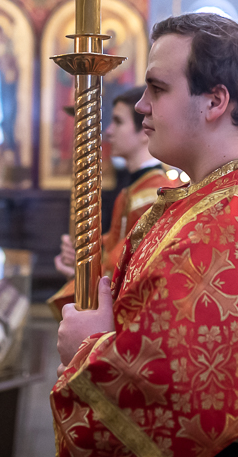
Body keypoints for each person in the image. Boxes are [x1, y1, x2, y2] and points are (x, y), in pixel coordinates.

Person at [51, 13, 238, 457]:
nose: (142, 105)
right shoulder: (217, 201)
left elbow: (185, 404)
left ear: (215, 101)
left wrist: (88, 350)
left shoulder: (237, 223)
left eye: (157, 88)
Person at [49, 85, 179, 319]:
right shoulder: (134, 190)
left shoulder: (156, 195)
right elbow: (116, 242)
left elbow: (126, 264)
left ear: (144, 130)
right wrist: (83, 250)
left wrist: (85, 267)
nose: (108, 131)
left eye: (118, 122)